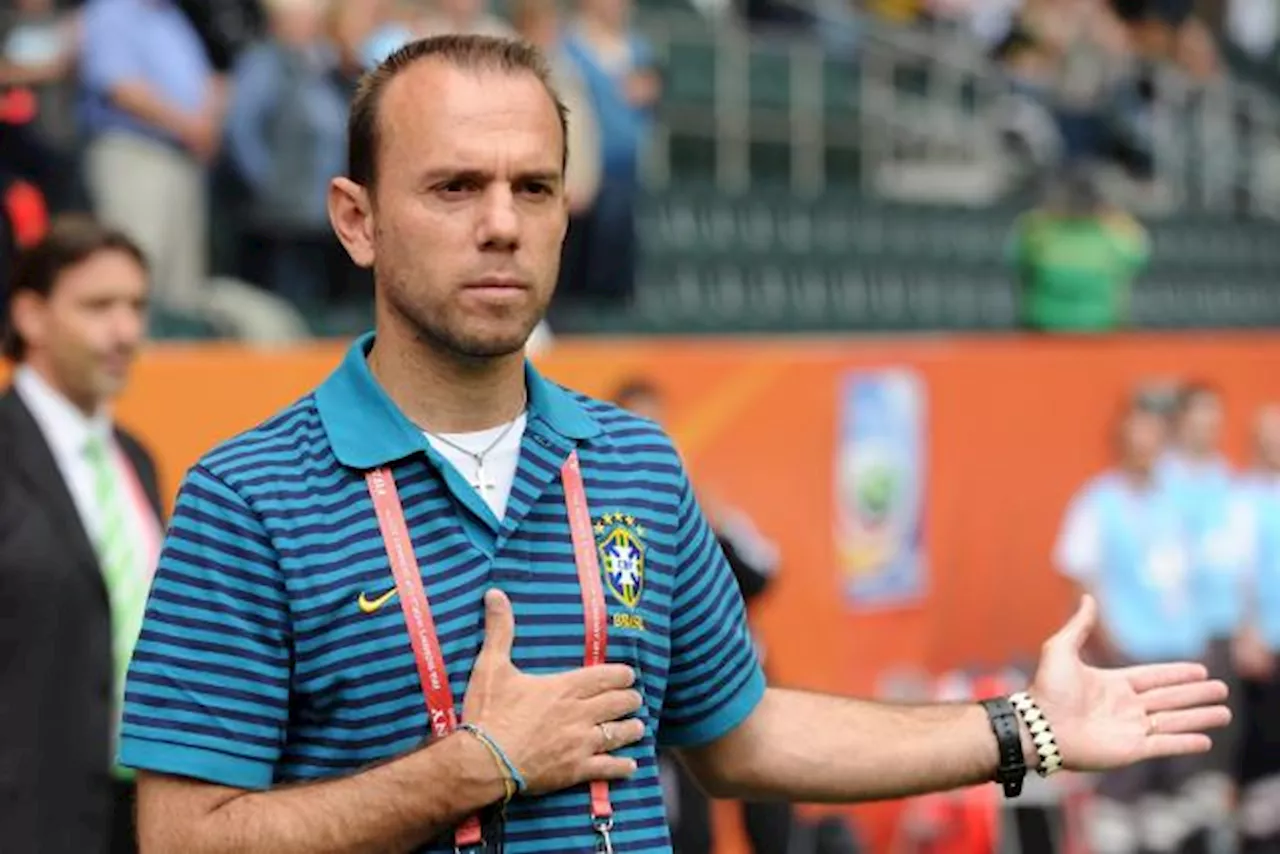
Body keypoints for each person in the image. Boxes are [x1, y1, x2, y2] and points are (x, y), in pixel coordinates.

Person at [122, 36, 1229, 854]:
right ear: (356, 218)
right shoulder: (247, 495)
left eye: (533, 187)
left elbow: (741, 735)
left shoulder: (634, 464)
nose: (501, 221)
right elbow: (181, 837)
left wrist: (1022, 724)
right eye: (454, 186)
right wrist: (476, 766)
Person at [0, 214, 164, 854]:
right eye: (99, 306)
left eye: (137, 307)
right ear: (32, 316)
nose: (125, 331)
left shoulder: (137, 459)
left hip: (136, 813)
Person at [1053, 396, 1211, 854]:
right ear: (1121, 442)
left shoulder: (1175, 499)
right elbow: (1079, 575)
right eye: (1137, 435)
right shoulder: (1098, 501)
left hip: (1180, 653)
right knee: (1125, 775)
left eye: (1154, 436)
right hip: (1130, 659)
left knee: (1176, 783)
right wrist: (1108, 643)